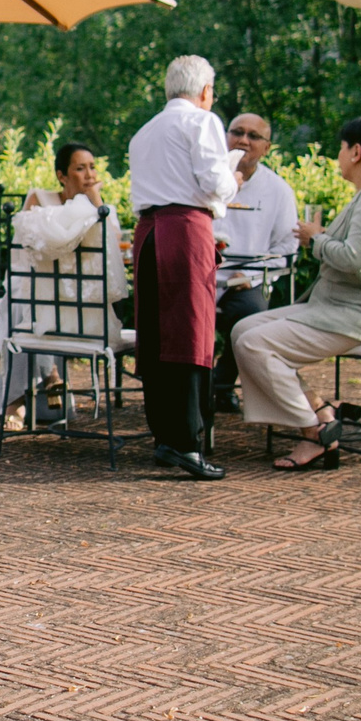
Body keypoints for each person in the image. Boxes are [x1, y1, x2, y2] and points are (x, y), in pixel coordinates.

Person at [228, 117, 361, 471]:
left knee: (254, 345)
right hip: (337, 304)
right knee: (242, 330)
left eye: (341, 148)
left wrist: (317, 239)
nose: (338, 155)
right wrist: (327, 238)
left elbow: (356, 259)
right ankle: (319, 408)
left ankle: (316, 432)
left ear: (356, 152)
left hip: (356, 313)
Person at [124, 55, 239, 480]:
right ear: (205, 91)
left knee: (154, 332)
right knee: (192, 330)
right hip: (186, 227)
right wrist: (233, 181)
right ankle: (190, 441)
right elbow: (214, 181)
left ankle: (164, 437)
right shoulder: (202, 122)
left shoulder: (143, 132)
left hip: (149, 232)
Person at [0, 141, 128, 425]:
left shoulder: (103, 210)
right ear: (61, 175)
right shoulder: (39, 198)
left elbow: (114, 253)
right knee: (23, 308)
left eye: (92, 167)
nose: (89, 174)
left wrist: (95, 201)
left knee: (41, 310)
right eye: (80, 168)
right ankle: (44, 380)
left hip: (78, 295)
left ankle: (33, 390)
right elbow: (23, 254)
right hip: (32, 283)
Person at [211, 112, 298, 413]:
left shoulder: (278, 190)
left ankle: (219, 385)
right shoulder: (206, 180)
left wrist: (252, 273)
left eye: (254, 136)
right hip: (203, 278)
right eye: (237, 132)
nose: (243, 140)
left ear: (267, 147)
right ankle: (189, 391)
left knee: (251, 319)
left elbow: (288, 246)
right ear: (225, 138)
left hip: (248, 282)